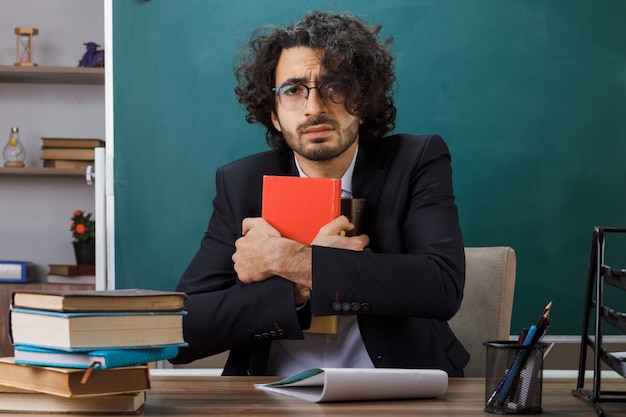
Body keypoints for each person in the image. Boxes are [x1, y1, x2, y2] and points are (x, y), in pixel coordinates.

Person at [170, 10, 470, 377]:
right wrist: (297, 292)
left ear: (363, 101)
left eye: (336, 87)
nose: (315, 108)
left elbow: (441, 286)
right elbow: (180, 331)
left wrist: (290, 260)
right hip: (270, 395)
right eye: (293, 90)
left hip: (397, 388)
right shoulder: (240, 182)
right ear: (275, 114)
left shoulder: (416, 159)